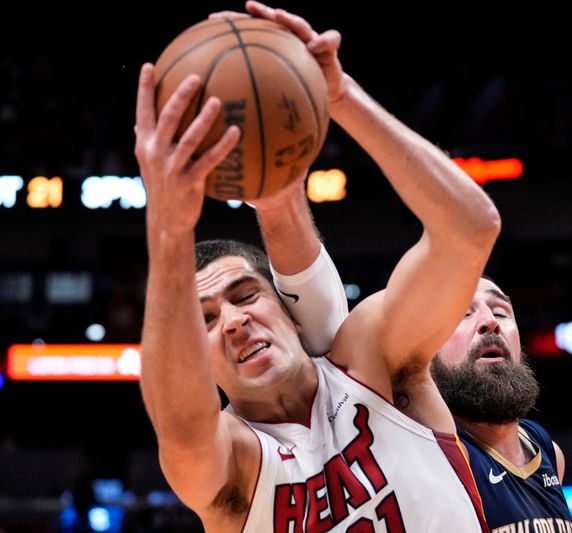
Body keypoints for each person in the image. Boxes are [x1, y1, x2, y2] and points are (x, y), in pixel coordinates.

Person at [134, 2, 499, 532]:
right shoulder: (233, 463)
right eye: (205, 320)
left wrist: (342, 98)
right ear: (195, 360)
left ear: (286, 305)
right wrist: (168, 231)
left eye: (243, 295)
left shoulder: (374, 362)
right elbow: (182, 428)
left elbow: (471, 231)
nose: (233, 322)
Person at [430, 277, 572, 532]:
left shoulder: (548, 452)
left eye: (500, 312)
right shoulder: (430, 456)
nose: (491, 321)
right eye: (462, 313)